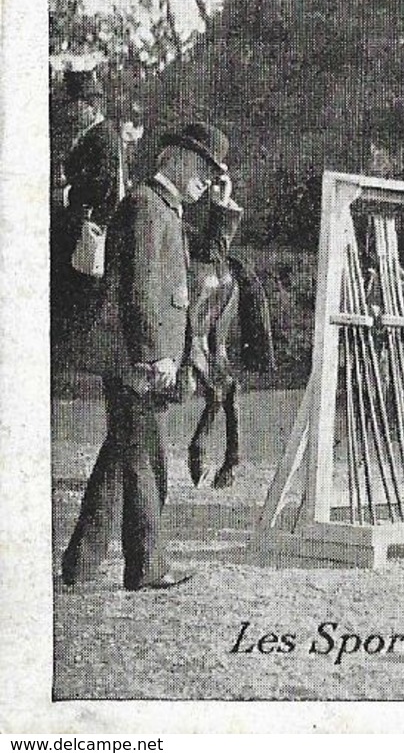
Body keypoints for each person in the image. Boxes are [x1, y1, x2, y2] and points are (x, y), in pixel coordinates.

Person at [60, 122, 231, 591]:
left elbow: (187, 276)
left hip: (140, 359)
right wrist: (155, 355)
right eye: (202, 167)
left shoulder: (162, 208)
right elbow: (140, 290)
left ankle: (80, 564)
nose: (206, 179)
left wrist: (222, 212)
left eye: (212, 172)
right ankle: (147, 566)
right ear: (175, 157)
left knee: (119, 459)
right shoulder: (145, 206)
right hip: (139, 361)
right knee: (146, 463)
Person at [52, 68, 127, 332]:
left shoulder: (102, 136)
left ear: (88, 105)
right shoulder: (98, 133)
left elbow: (101, 187)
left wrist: (65, 193)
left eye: (73, 106)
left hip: (93, 228)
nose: (68, 113)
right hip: (91, 224)